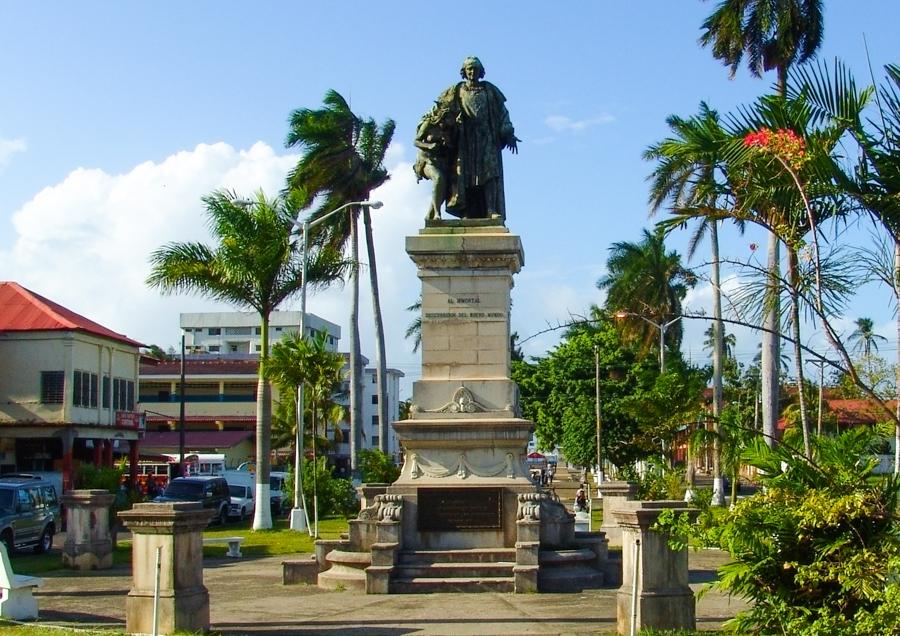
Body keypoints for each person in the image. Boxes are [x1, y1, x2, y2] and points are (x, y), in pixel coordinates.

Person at [416, 56, 519, 221]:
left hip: (487, 139)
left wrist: (508, 132)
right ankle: (466, 211)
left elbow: (502, 113)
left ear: (481, 71)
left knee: (490, 173)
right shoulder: (455, 91)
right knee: (464, 176)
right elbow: (438, 112)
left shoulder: (489, 91)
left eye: (475, 69)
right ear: (464, 72)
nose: (472, 72)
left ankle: (491, 209)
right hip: (464, 141)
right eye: (469, 69)